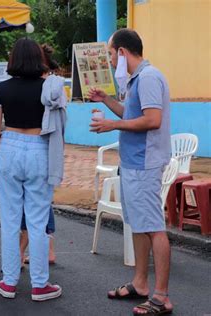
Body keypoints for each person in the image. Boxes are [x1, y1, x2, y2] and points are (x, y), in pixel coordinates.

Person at [88, 28, 172, 315]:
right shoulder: (138, 79)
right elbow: (131, 114)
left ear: (122, 52)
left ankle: (161, 296)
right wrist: (107, 101)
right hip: (134, 162)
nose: (110, 61)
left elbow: (152, 120)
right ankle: (140, 284)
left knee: (153, 228)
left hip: (146, 163)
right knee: (138, 225)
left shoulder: (148, 78)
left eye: (111, 54)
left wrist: (111, 126)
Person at [0, 38, 62, 302]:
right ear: (38, 58)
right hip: (39, 148)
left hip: (9, 148)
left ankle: (9, 282)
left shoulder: (1, 90)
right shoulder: (49, 88)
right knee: (38, 221)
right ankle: (40, 285)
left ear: (14, 59)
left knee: (10, 220)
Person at [20, 44, 66, 267]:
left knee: (31, 203)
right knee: (42, 200)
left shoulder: (43, 87)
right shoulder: (54, 86)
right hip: (51, 148)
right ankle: (48, 250)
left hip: (36, 148)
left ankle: (19, 253)